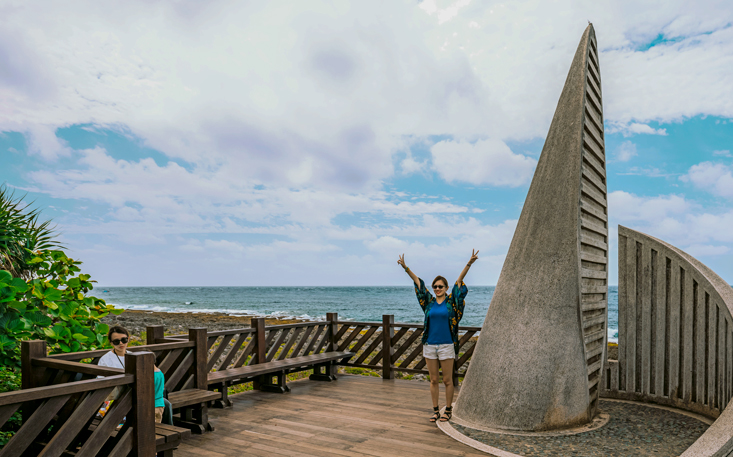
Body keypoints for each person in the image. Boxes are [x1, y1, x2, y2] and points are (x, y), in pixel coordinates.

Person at [397, 249, 479, 423]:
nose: (437, 289)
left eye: (440, 286)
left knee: (448, 380)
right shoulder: (428, 303)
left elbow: (459, 282)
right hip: (430, 345)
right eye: (435, 286)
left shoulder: (452, 302)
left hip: (447, 345)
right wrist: (406, 268)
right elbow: (419, 284)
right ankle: (435, 410)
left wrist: (469, 264)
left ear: (446, 288)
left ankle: (448, 410)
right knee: (433, 380)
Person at [98, 325, 167, 423]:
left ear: (128, 339)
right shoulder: (105, 359)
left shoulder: (134, 356)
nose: (121, 343)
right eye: (116, 341)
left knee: (164, 404)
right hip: (119, 398)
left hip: (138, 396)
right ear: (111, 342)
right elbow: (101, 383)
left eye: (124, 340)